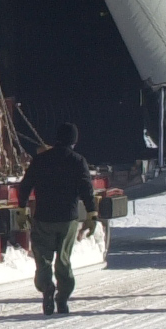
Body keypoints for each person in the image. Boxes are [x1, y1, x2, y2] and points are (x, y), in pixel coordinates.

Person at [16, 122, 97, 316]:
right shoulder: (78, 161)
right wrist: (92, 214)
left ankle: (47, 288)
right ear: (74, 141)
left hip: (43, 217)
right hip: (68, 219)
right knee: (63, 260)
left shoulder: (40, 160)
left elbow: (25, 185)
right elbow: (87, 189)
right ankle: (63, 297)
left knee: (42, 259)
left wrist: (21, 207)